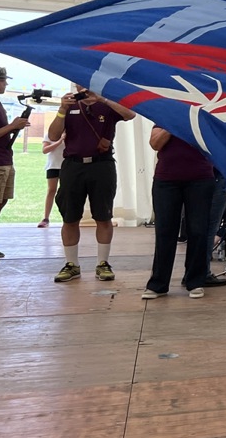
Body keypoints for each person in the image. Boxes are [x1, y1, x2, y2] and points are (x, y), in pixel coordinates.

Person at [47, 85, 136, 283]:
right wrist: (62, 109)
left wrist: (102, 99)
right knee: (70, 217)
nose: (82, 87)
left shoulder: (107, 103)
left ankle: (102, 263)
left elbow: (130, 114)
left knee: (103, 215)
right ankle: (71, 264)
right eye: (78, 83)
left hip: (101, 165)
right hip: (73, 165)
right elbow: (53, 136)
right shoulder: (69, 105)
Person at [143, 127, 214, 299]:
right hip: (166, 180)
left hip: (200, 178)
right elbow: (154, 144)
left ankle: (195, 281)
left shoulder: (201, 117)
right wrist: (173, 125)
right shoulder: (165, 116)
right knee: (165, 231)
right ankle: (158, 284)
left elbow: (215, 143)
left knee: (198, 230)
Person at [0, 66, 29, 263]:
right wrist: (12, 126)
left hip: (3, 159)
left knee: (1, 200)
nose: (5, 84)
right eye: (2, 80)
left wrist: (12, 128)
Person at [38, 132, 64, 227]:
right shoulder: (50, 134)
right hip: (53, 165)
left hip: (67, 166)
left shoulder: (72, 132)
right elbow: (45, 150)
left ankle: (67, 217)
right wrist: (60, 141)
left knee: (66, 192)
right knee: (51, 190)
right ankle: (46, 218)